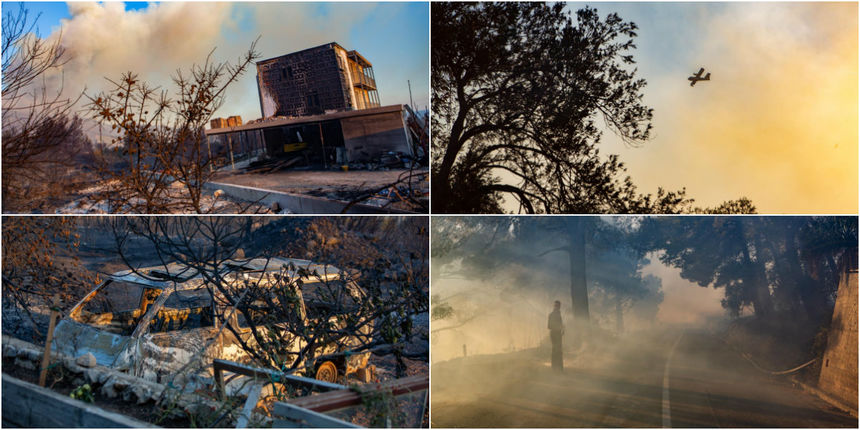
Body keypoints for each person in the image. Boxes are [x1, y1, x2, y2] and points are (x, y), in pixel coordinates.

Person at [548, 300, 564, 372]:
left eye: (559, 306)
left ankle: (559, 368)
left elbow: (560, 324)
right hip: (554, 334)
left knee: (558, 350)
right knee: (555, 350)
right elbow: (549, 326)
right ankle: (555, 368)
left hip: (558, 334)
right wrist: (558, 328)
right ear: (554, 306)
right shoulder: (552, 315)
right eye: (556, 306)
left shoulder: (558, 314)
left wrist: (562, 328)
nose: (557, 307)